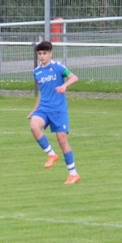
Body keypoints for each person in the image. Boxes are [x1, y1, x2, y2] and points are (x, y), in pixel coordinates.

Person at [29, 40, 80, 185]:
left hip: (58, 109)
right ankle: (51, 154)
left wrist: (65, 86)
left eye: (44, 53)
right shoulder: (37, 72)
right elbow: (42, 93)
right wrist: (34, 111)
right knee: (34, 126)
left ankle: (73, 174)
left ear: (50, 54)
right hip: (43, 109)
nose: (42, 56)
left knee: (62, 141)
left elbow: (74, 77)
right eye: (40, 54)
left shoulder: (58, 67)